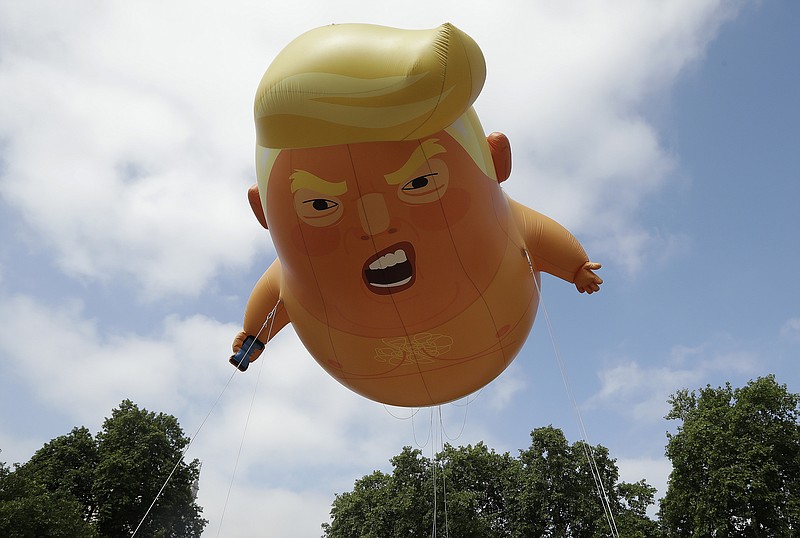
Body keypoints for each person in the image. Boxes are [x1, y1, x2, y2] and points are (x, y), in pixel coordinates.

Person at [231, 23, 602, 407]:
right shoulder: (294, 273)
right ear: (264, 211)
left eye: (421, 182)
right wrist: (255, 335)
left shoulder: (509, 223)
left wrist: (575, 267)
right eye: (320, 205)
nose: (375, 225)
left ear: (496, 161)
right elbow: (281, 289)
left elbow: (535, 235)